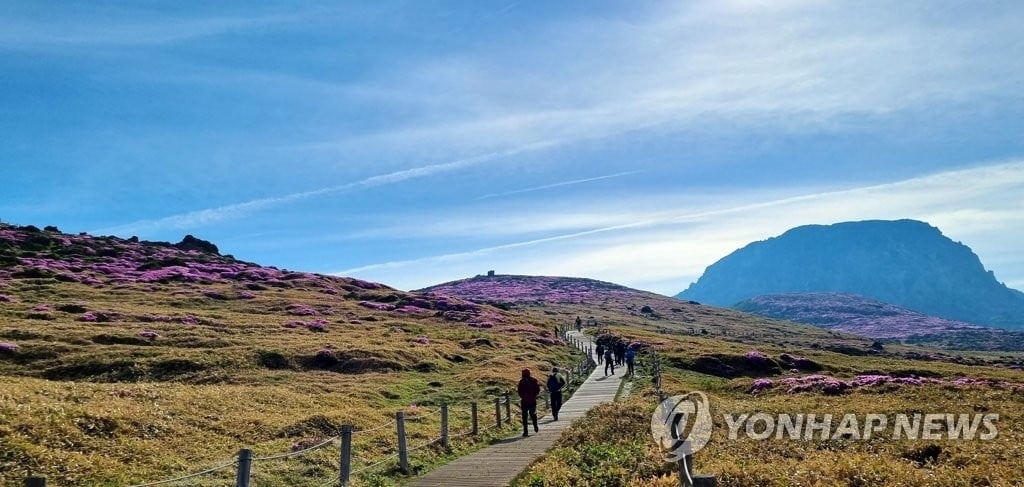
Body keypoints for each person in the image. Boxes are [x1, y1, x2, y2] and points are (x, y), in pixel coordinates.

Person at [517, 368, 540, 437]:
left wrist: (523, 397)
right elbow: (538, 389)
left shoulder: (521, 381)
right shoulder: (534, 380)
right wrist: (534, 396)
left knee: (524, 416)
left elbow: (519, 391)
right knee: (533, 414)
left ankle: (525, 431)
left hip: (524, 401)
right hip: (532, 400)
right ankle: (535, 425)